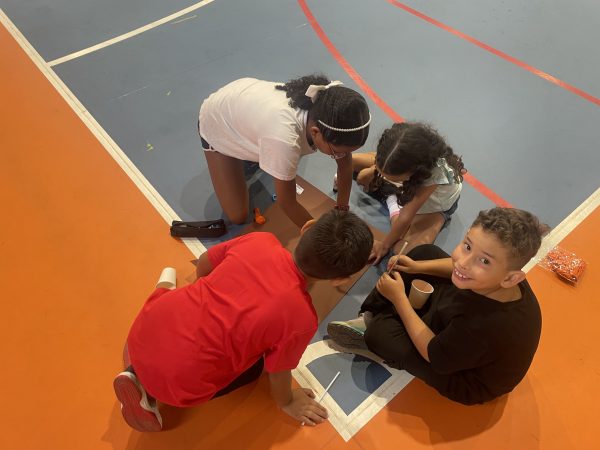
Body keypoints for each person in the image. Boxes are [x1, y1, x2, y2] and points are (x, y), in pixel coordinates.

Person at [113, 210, 374, 431]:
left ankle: (138, 368)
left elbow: (204, 264)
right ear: (339, 279)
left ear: (307, 227)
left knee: (176, 301)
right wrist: (287, 402)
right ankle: (150, 394)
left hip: (145, 328)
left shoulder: (260, 241)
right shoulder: (302, 319)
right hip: (179, 386)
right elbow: (278, 370)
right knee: (254, 369)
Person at [327, 207, 547, 405]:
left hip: (461, 377)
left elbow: (434, 355)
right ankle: (370, 316)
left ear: (511, 278)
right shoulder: (499, 277)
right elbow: (456, 267)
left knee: (380, 335)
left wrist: (399, 300)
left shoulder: (485, 325)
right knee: (424, 253)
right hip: (464, 337)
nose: (463, 262)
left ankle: (376, 325)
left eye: (484, 261)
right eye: (467, 246)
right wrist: (417, 267)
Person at [199, 75, 371, 228]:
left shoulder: (325, 108)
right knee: (238, 215)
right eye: (336, 152)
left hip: (245, 103)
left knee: (281, 157)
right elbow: (287, 202)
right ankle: (246, 154)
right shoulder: (284, 139)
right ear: (315, 132)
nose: (340, 156)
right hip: (219, 121)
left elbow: (345, 165)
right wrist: (322, 237)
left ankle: (260, 155)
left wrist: (342, 209)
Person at [347, 122, 463, 264]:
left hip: (435, 207)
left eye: (391, 177)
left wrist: (384, 246)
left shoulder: (435, 174)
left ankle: (391, 198)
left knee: (404, 252)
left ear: (413, 171)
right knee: (357, 166)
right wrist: (375, 170)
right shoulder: (407, 149)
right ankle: (390, 189)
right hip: (407, 184)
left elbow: (406, 217)